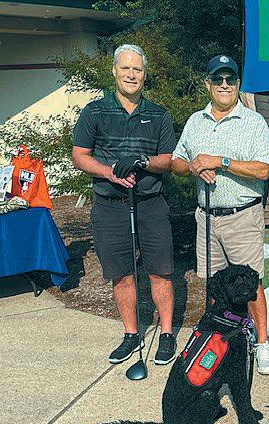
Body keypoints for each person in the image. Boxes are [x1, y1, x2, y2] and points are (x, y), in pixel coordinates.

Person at [171, 55, 269, 375]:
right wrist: (193, 166)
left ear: (238, 84)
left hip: (242, 216)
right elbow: (177, 161)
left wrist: (221, 162)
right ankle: (222, 340)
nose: (224, 85)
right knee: (215, 286)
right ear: (208, 84)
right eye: (218, 79)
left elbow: (263, 169)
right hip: (206, 217)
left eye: (230, 79)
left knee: (250, 284)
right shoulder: (195, 121)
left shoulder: (253, 122)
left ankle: (261, 343)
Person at [72, 44, 177, 365]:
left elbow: (169, 159)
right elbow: (79, 156)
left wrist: (143, 160)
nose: (131, 75)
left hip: (150, 204)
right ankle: (131, 334)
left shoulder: (158, 114)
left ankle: (166, 334)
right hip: (110, 206)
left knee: (161, 272)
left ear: (145, 74)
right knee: (122, 274)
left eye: (137, 69)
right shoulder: (94, 112)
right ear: (114, 71)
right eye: (125, 68)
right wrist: (110, 172)